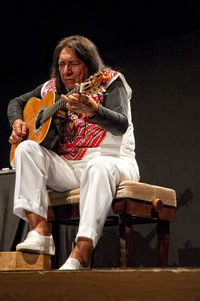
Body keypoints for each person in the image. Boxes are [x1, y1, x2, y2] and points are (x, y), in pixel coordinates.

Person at [7, 35, 140, 270]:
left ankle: (82, 251)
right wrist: (18, 122)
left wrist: (94, 110)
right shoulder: (51, 87)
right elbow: (16, 102)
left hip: (112, 160)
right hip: (69, 166)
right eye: (61, 64)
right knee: (26, 149)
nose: (66, 71)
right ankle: (40, 231)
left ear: (88, 64)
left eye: (73, 64)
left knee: (97, 167)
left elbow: (120, 124)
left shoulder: (109, 81)